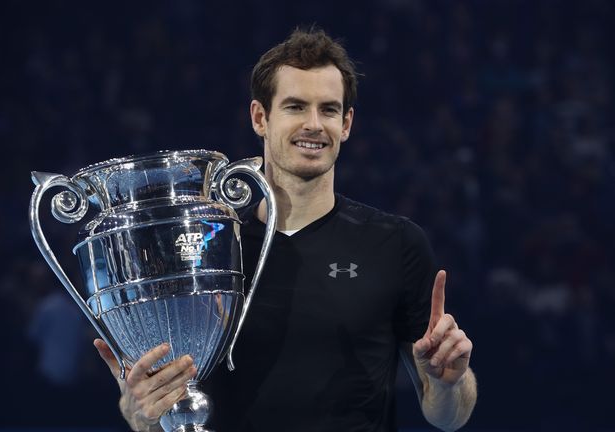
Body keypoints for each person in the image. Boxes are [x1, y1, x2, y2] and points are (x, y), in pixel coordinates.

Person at [94, 27, 477, 431]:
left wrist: (449, 385)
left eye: (329, 110)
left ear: (346, 123)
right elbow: (166, 412)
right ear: (260, 117)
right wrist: (141, 414)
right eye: (296, 106)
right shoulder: (205, 250)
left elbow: (448, 417)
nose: (314, 124)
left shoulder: (397, 244)